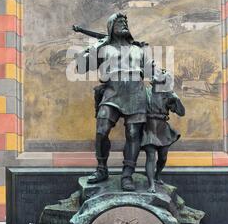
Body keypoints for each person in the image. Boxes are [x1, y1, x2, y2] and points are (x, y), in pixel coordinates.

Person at [75, 13, 155, 191]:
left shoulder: (139, 49)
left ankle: (127, 175)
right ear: (111, 27)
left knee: (134, 134)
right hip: (112, 93)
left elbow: (152, 73)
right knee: (101, 131)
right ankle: (102, 169)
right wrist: (98, 44)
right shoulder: (105, 48)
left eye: (125, 21)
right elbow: (80, 66)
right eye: (119, 22)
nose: (124, 24)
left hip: (136, 94)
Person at [141, 70, 185, 192]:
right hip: (149, 127)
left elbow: (181, 113)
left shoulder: (168, 96)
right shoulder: (146, 93)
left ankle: (157, 175)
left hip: (162, 128)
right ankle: (151, 185)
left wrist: (177, 99)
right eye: (156, 79)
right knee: (150, 156)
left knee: (163, 157)